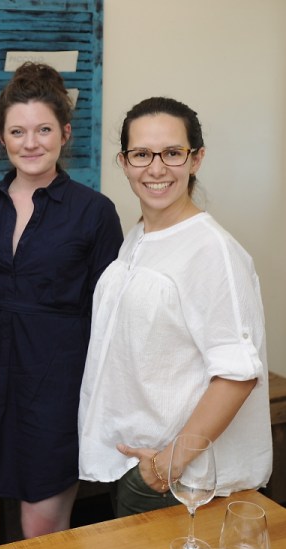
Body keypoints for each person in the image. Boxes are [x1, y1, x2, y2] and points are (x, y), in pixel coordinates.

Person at [78, 97, 272, 516]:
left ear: (196, 159)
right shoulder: (139, 237)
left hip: (178, 479)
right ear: (125, 162)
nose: (156, 168)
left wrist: (167, 465)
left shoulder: (211, 251)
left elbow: (237, 375)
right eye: (142, 154)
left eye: (172, 153)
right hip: (134, 462)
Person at [0, 62, 123, 538]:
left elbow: (110, 315)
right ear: (2, 137)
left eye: (43, 129)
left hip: (60, 381)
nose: (30, 143)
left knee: (40, 522)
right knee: (11, 506)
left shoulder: (95, 212)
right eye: (18, 131)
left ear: (65, 133)